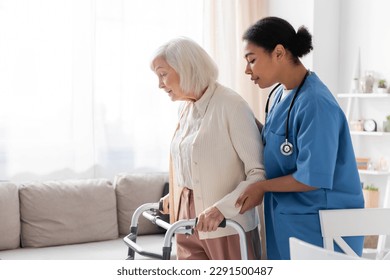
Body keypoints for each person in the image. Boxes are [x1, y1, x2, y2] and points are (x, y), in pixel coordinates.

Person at [235, 17, 364, 260]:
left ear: (279, 53)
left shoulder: (316, 104)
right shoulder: (278, 94)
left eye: (252, 60)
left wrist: (261, 187)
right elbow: (280, 142)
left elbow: (312, 176)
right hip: (288, 216)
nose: (247, 70)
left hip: (321, 222)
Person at [151, 37, 266, 260]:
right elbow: (191, 165)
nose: (160, 84)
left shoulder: (232, 106)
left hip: (225, 224)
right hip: (185, 223)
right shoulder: (185, 110)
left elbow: (258, 174)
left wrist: (222, 209)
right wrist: (175, 196)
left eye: (163, 74)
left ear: (185, 68)